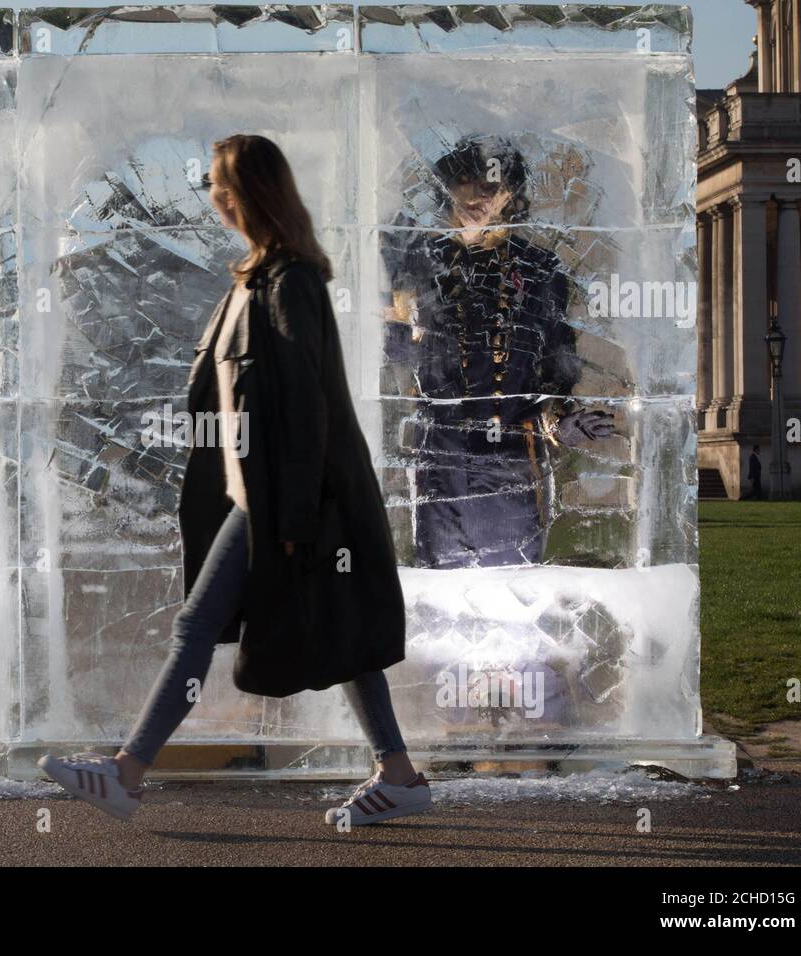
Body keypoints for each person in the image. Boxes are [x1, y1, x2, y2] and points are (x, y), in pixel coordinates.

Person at [39, 134, 429, 826]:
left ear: (255, 192)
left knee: (201, 626)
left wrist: (298, 524)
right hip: (268, 495)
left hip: (288, 501)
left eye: (225, 185)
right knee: (337, 629)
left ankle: (127, 774)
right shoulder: (254, 278)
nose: (215, 197)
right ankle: (398, 773)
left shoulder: (290, 282)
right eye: (213, 185)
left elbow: (307, 405)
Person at [380, 135, 613, 568]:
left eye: (495, 184)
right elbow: (395, 358)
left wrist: (561, 422)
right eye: (467, 181)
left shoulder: (540, 270)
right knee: (443, 589)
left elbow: (555, 364)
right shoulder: (417, 261)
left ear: (512, 194)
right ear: (447, 187)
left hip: (512, 463)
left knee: (512, 587)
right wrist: (397, 311)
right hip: (441, 459)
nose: (481, 195)